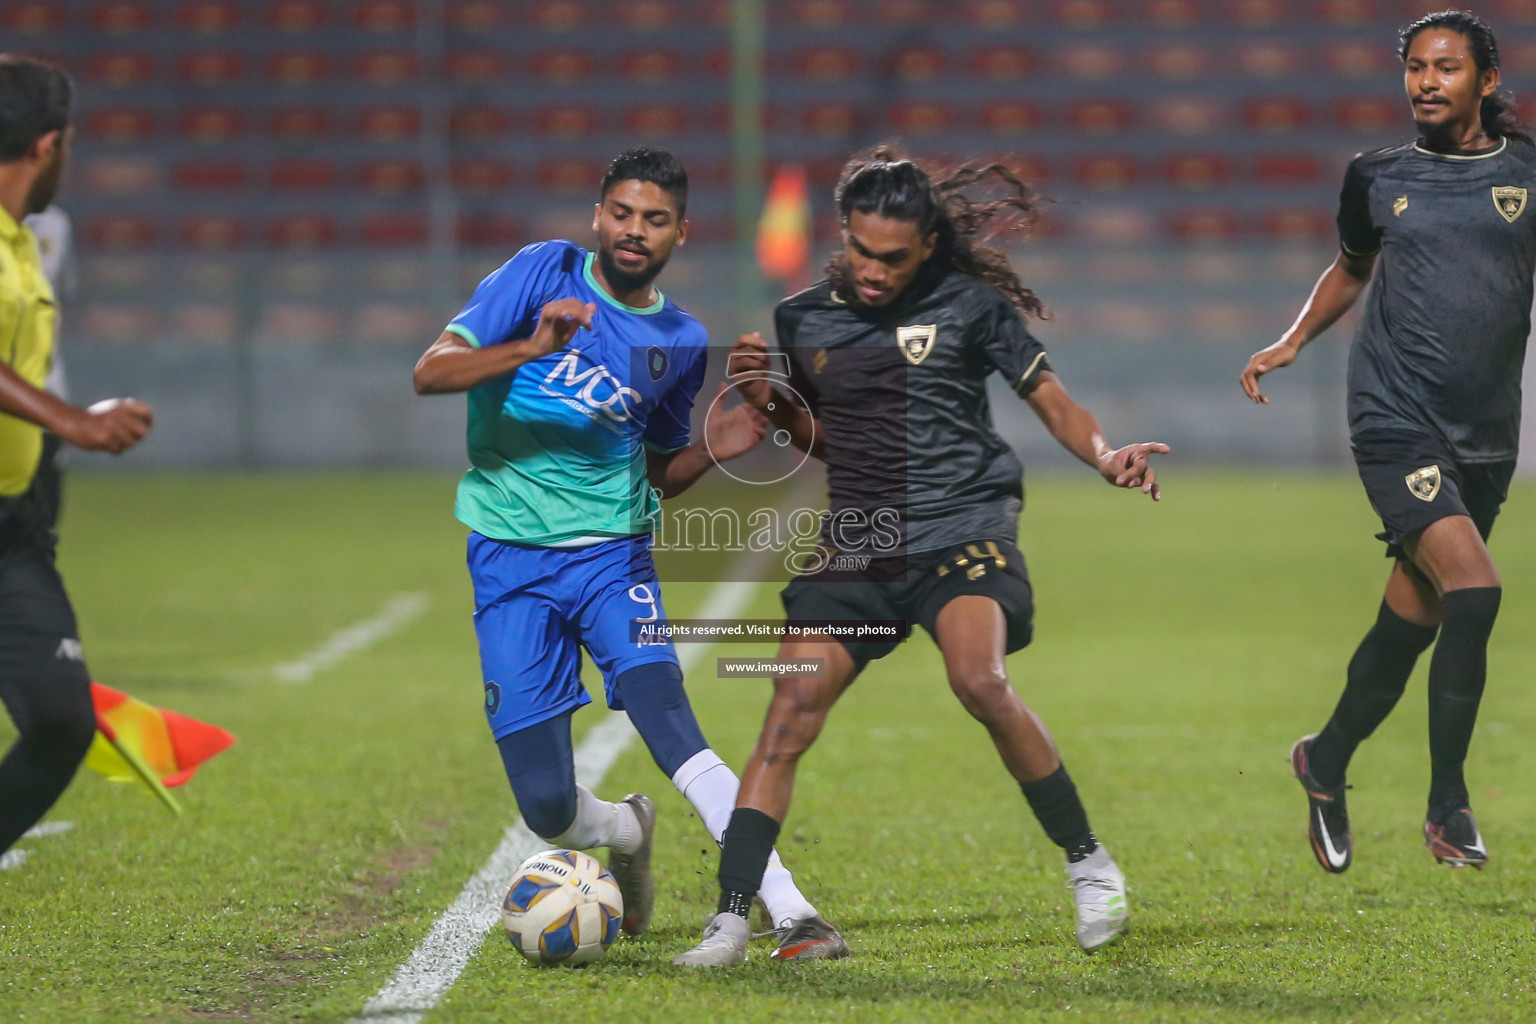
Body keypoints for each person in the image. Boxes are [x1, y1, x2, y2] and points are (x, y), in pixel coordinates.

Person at [674, 148, 1168, 966]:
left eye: (892, 258)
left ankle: (1089, 863)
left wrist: (1107, 454)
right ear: (844, 234)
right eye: (861, 250)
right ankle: (730, 919)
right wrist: (768, 401)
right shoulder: (806, 319)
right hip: (863, 538)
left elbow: (1051, 398)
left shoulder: (971, 309)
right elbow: (826, 443)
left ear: (929, 246)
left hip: (963, 527)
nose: (872, 271)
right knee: (788, 717)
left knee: (979, 679)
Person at [413, 147, 842, 953]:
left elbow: (656, 474)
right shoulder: (541, 274)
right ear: (597, 216)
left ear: (680, 230)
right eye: (621, 213)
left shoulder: (680, 339)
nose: (633, 231)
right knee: (545, 806)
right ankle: (624, 827)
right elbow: (432, 372)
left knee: (666, 715)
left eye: (653, 219)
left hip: (613, 558)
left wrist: (720, 444)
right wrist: (532, 348)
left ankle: (791, 910)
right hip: (508, 563)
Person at [1240, 10, 1535, 873]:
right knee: (1475, 591)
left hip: (1485, 432)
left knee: (1414, 618)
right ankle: (1449, 805)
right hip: (1393, 416)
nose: (1425, 81)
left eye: (1445, 67)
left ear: (1485, 80)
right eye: (1415, 67)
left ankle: (1323, 760)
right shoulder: (1377, 175)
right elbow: (1351, 266)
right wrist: (1293, 339)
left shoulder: (1525, 171)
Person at [0, 55, 154, 857]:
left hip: (12, 525)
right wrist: (73, 420)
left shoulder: (20, 239)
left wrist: (69, 419)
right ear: (49, 146)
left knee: (61, 721)